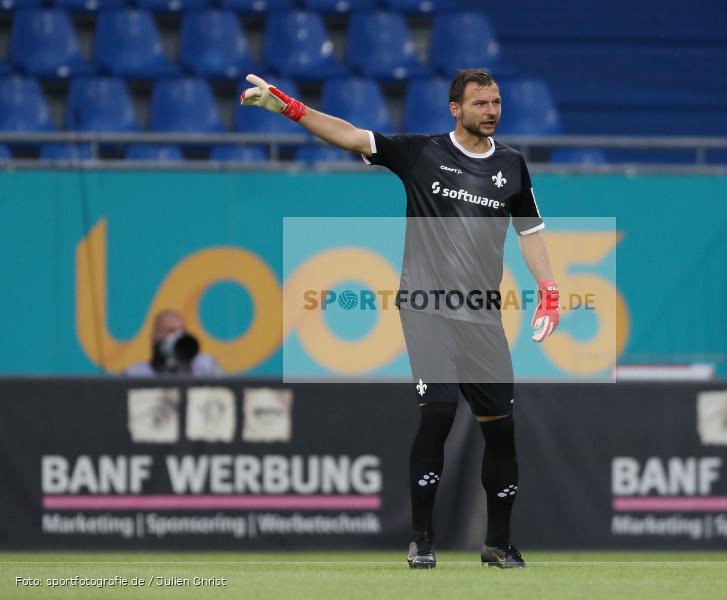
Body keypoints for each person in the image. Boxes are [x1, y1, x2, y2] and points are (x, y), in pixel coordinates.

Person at [240, 68, 559, 568]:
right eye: (481, 103)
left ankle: (497, 543)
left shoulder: (512, 166)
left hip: (481, 317)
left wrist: (550, 289)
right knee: (437, 413)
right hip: (426, 306)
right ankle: (421, 538)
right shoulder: (421, 152)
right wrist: (290, 108)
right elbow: (349, 134)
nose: (492, 110)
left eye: (497, 101)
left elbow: (531, 230)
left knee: (501, 430)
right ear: (456, 109)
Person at [123, 309, 223, 377]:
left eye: (181, 331)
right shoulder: (136, 374)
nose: (177, 336)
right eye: (170, 331)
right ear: (154, 336)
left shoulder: (206, 367)